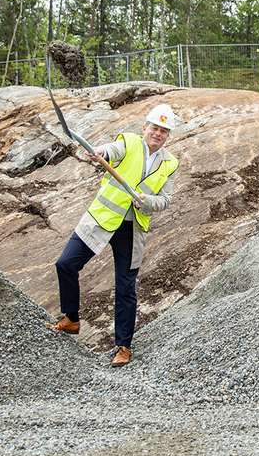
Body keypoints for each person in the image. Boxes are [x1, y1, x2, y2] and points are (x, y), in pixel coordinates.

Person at [47, 103, 181, 367]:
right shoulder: (129, 142)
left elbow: (165, 199)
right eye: (155, 128)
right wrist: (101, 153)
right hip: (102, 218)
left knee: (125, 287)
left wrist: (147, 201)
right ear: (145, 127)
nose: (158, 134)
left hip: (133, 227)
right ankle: (71, 319)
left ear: (168, 136)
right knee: (65, 264)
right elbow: (111, 150)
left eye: (164, 131)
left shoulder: (170, 163)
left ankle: (123, 347)